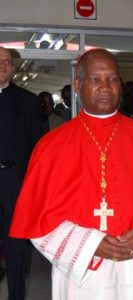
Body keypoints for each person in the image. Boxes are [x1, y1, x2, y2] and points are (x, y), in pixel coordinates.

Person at [9, 48, 133, 300]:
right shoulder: (52, 146)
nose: (105, 86)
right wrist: (90, 244)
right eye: (95, 79)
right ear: (77, 85)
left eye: (112, 78)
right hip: (81, 274)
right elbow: (38, 223)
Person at [0, 46, 43, 300]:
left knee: (16, 245)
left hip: (15, 181)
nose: (3, 66)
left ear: (13, 67)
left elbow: (36, 147)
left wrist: (31, 186)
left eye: (6, 62)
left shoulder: (27, 101)